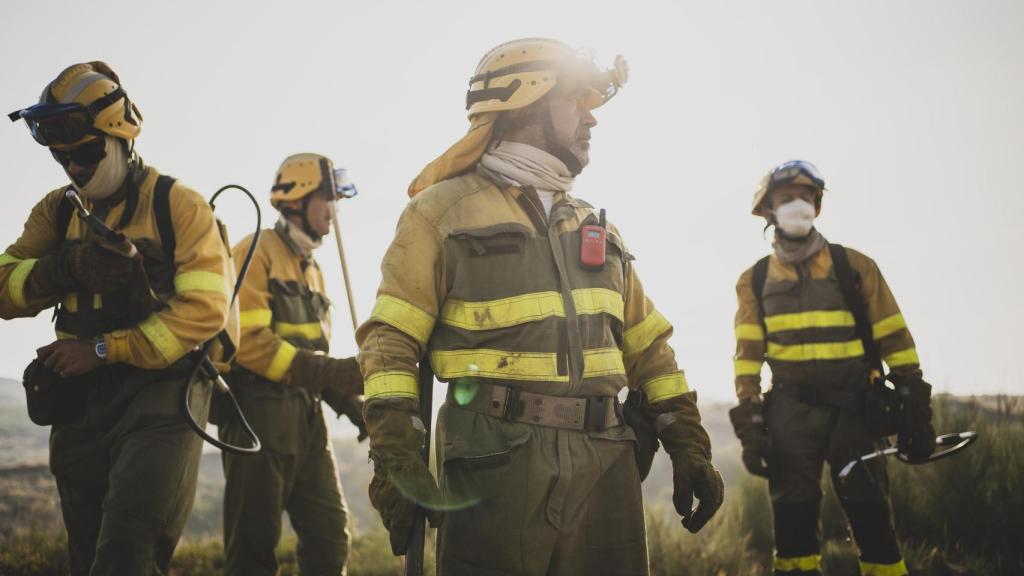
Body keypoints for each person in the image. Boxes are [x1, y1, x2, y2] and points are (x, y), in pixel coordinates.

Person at [357, 38, 723, 575]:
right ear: (525, 104)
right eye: (577, 101)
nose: (591, 120)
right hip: (494, 464)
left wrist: (688, 443)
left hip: (607, 465)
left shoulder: (596, 228)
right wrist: (395, 459)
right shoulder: (438, 213)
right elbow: (390, 342)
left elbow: (649, 348)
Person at [2, 61, 233, 575]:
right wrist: (64, 267)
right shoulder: (56, 212)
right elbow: (3, 286)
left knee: (125, 557)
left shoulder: (180, 206)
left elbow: (205, 313)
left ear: (120, 136)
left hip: (162, 399)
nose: (72, 168)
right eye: (60, 157)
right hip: (79, 405)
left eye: (83, 153)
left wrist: (105, 349)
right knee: (85, 560)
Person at [729, 160, 936, 576]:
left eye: (806, 197)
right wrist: (750, 425)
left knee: (874, 524)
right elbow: (747, 357)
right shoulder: (753, 280)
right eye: (787, 198)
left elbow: (895, 339)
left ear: (818, 206)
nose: (798, 205)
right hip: (789, 415)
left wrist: (915, 409)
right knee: (793, 531)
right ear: (768, 210)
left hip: (857, 411)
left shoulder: (855, 267)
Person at [220, 153, 365, 576]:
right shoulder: (255, 251)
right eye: (328, 199)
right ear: (299, 199)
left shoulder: (314, 268)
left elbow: (313, 350)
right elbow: (249, 344)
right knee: (252, 550)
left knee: (330, 536)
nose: (334, 212)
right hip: (257, 413)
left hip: (306, 416)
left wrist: (352, 404)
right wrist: (334, 372)